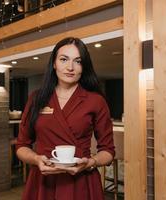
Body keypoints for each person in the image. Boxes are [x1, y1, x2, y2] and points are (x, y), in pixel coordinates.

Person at [16, 37, 115, 200]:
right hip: (43, 180)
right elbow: (21, 146)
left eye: (78, 61)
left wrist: (90, 163)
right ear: (54, 63)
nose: (70, 67)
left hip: (81, 181)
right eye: (64, 59)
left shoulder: (96, 101)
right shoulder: (36, 98)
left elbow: (108, 151)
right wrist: (35, 159)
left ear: (84, 67)